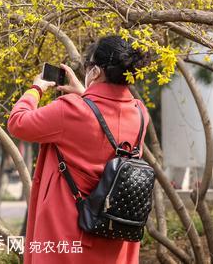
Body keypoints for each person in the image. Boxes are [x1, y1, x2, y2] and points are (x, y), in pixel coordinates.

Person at [8, 35, 151, 264]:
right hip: (116, 234)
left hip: (70, 233)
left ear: (95, 72)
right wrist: (84, 93)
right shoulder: (140, 113)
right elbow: (105, 120)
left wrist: (37, 88)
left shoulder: (71, 110)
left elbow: (18, 122)